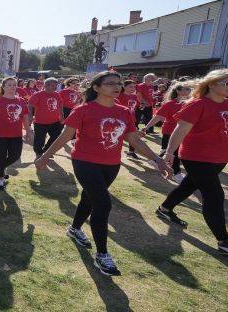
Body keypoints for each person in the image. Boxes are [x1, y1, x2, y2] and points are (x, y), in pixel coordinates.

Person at [35, 71, 170, 276]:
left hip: (111, 164)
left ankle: (74, 228)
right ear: (96, 88)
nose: (116, 87)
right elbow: (65, 136)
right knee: (103, 203)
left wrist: (156, 159)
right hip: (85, 161)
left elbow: (134, 139)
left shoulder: (125, 111)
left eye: (118, 84)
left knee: (89, 198)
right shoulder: (83, 110)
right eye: (109, 84)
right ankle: (103, 255)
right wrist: (45, 156)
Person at [157, 69, 228, 256]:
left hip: (221, 157)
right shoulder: (197, 105)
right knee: (214, 195)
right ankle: (224, 240)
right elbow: (180, 131)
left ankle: (165, 208)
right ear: (212, 84)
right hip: (197, 157)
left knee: (188, 185)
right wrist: (169, 152)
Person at [0, 77, 33, 190]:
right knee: (0, 157)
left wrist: (28, 132)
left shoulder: (21, 101)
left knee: (16, 156)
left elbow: (25, 118)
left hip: (16, 134)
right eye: (9, 85)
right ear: (3, 87)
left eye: (14, 85)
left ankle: (1, 167)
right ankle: (0, 179)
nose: (12, 87)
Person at [141, 81, 191, 182]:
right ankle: (176, 173)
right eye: (186, 89)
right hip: (170, 132)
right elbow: (158, 117)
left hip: (185, 133)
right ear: (178, 91)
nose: (188, 91)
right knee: (175, 153)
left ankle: (156, 161)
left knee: (172, 152)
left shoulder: (192, 103)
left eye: (189, 89)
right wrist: (146, 127)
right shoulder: (170, 104)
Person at [28, 78, 63, 158]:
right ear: (46, 85)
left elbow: (60, 104)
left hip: (55, 121)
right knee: (40, 139)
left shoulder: (57, 94)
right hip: (40, 122)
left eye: (56, 85)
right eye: (53, 85)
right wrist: (30, 115)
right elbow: (30, 105)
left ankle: (47, 150)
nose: (55, 87)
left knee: (56, 137)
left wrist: (62, 115)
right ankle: (39, 153)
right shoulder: (38, 94)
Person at [116, 80, 142, 159]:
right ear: (124, 86)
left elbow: (136, 106)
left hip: (131, 120)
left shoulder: (134, 96)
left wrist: (141, 106)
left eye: (134, 87)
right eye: (130, 86)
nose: (133, 88)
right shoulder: (119, 96)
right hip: (121, 120)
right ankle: (116, 153)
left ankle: (131, 152)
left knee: (133, 136)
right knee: (118, 137)